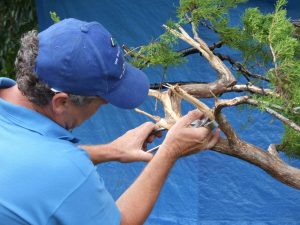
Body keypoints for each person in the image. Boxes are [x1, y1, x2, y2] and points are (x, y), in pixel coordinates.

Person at [0, 18, 220, 225]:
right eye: (102, 102)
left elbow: (29, 161)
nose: (102, 107)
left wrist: (110, 151)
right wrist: (170, 151)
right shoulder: (63, 168)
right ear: (60, 102)